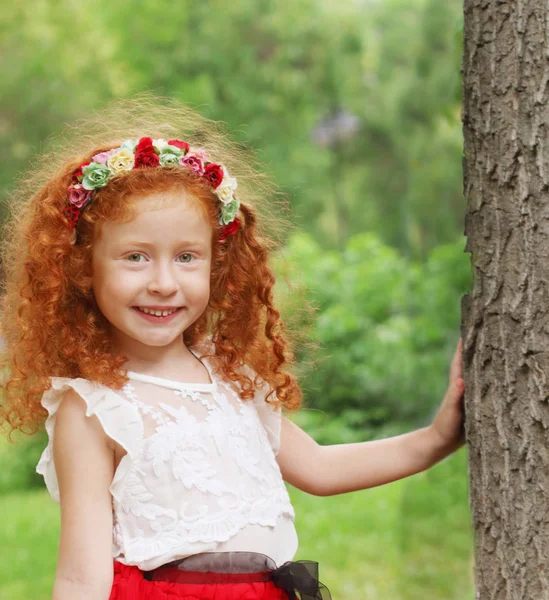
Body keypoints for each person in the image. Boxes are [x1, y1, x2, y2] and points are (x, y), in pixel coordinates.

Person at [0, 97, 466, 600]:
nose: (163, 282)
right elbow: (80, 576)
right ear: (82, 269)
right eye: (135, 257)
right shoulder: (94, 408)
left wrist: (438, 437)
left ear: (216, 265)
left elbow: (322, 469)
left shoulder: (227, 374)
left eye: (186, 257)